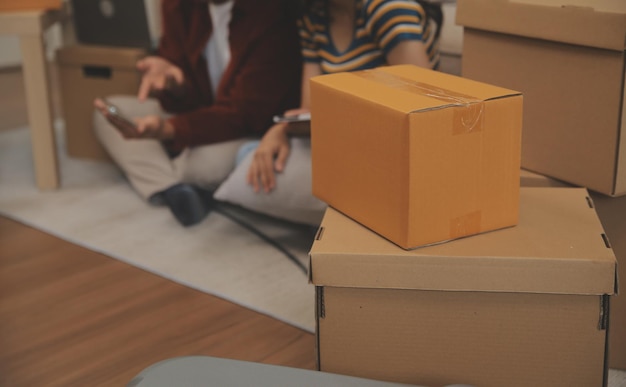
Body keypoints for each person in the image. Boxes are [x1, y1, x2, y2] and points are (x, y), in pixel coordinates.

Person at [93, 0, 302, 227]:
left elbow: (244, 114)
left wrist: (169, 130)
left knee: (202, 165)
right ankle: (172, 188)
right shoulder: (178, 6)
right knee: (110, 112)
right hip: (203, 114)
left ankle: (177, 174)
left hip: (253, 128)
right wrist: (174, 85)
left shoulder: (269, 13)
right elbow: (184, 93)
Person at [246, 0, 441, 196]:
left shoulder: (387, 10)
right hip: (344, 144)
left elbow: (425, 109)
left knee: (247, 163)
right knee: (250, 154)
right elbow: (310, 110)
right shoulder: (314, 16)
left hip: (391, 157)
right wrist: (280, 130)